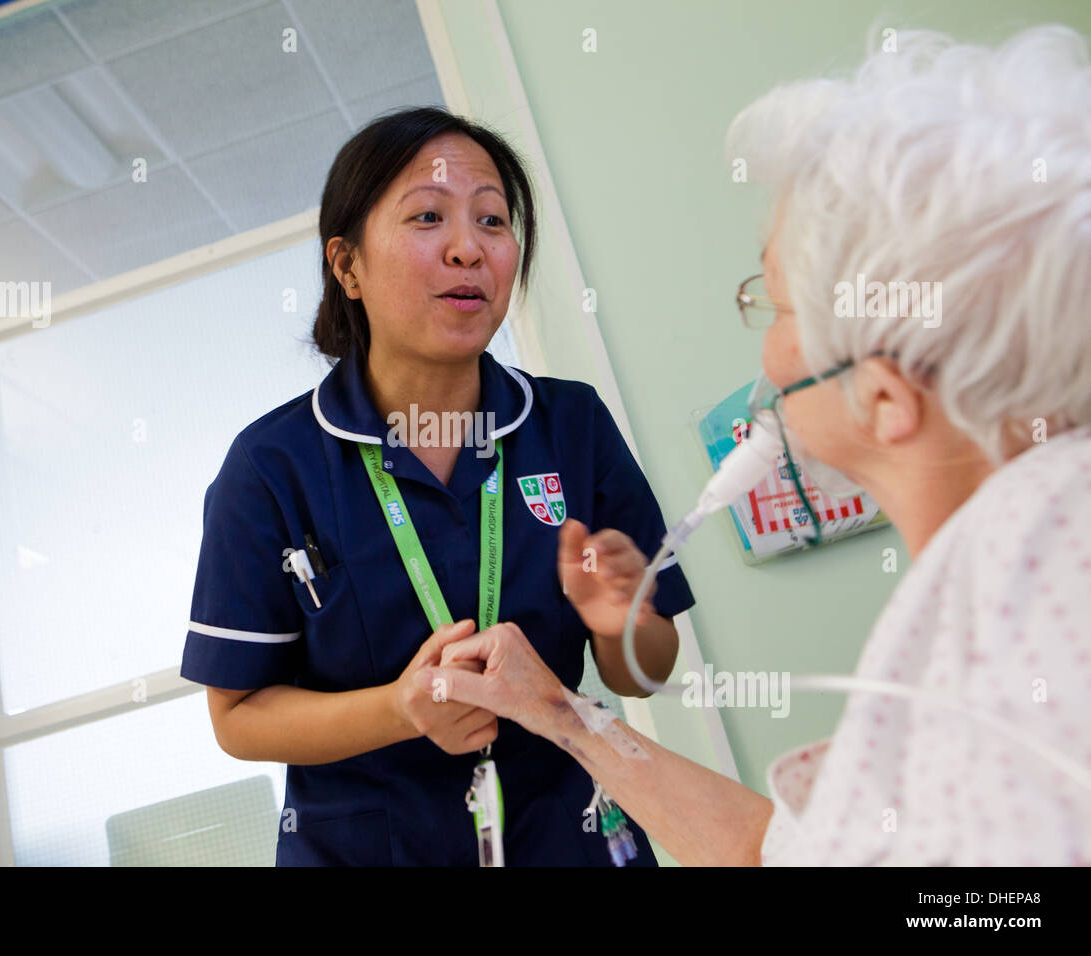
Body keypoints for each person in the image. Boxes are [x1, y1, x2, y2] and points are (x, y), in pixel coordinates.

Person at [422, 25, 1091, 866]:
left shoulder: (1045, 555)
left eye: (775, 307)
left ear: (884, 394)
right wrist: (559, 713)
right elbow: (777, 852)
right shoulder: (1009, 550)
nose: (765, 354)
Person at [179, 107, 696, 865]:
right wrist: (401, 708)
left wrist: (622, 621)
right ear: (347, 266)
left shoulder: (571, 424)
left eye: (492, 220)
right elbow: (239, 717)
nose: (468, 249)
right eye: (428, 217)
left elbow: (644, 671)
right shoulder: (270, 468)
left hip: (568, 837)